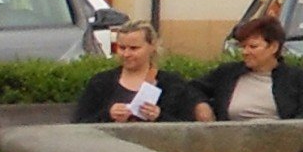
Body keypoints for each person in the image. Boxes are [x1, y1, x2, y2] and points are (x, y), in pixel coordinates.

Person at [69, 22, 211, 125]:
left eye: (134, 48)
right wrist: (108, 114)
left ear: (151, 47)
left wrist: (159, 116)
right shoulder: (100, 82)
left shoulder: (171, 83)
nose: (126, 54)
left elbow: (187, 127)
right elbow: (79, 122)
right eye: (122, 48)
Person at [199, 16, 303, 121]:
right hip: (233, 143)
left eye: (253, 46)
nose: (245, 52)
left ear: (273, 47)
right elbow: (193, 89)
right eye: (243, 46)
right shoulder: (227, 73)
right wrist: (201, 105)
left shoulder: (300, 79)